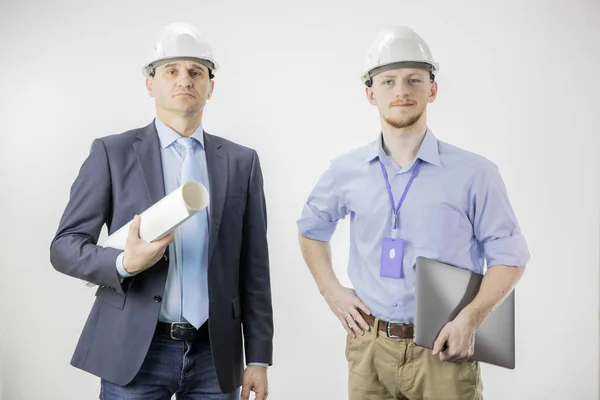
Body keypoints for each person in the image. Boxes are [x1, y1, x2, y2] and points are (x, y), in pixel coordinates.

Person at [296, 26, 530, 399]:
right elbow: (311, 229)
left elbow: (511, 257)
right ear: (371, 94)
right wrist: (330, 290)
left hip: (444, 348)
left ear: (432, 89)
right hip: (369, 348)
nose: (401, 91)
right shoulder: (345, 171)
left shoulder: (476, 173)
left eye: (413, 80)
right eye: (387, 81)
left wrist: (471, 319)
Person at [50, 22, 273, 400]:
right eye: (171, 70)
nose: (183, 79)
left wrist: (259, 358)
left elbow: (255, 267)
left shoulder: (241, 162)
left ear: (210, 87)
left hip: (214, 354)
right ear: (150, 83)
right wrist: (124, 263)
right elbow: (65, 246)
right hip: (135, 350)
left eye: (195, 71)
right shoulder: (112, 153)